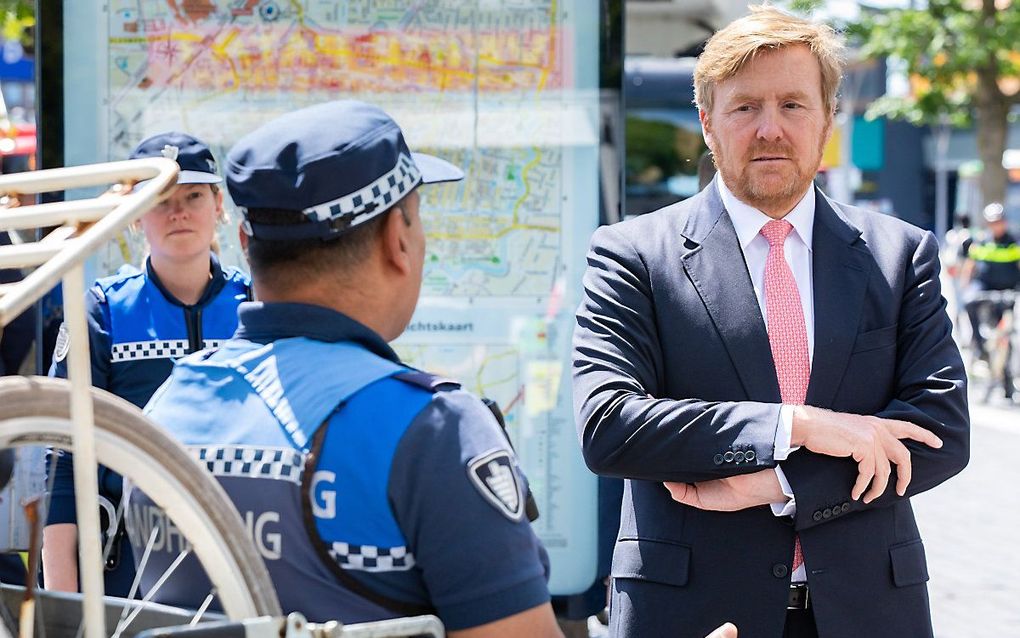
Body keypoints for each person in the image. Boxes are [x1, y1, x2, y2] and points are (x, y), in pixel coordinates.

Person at [572, 7, 969, 638]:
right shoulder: (633, 254)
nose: (770, 130)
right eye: (745, 107)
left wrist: (780, 483)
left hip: (868, 612)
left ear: (826, 120)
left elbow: (939, 434)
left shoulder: (900, 254)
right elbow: (609, 426)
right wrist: (799, 425)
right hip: (693, 614)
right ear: (708, 123)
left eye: (792, 105)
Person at [130, 100, 561, 636]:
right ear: (396, 240)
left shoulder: (165, 410)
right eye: (416, 216)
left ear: (244, 243)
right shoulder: (435, 432)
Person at [42, 132, 251, 596]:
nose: (178, 212)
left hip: (244, 562)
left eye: (194, 196)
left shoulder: (255, 303)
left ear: (219, 205)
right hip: (127, 572)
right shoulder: (102, 313)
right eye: (160, 200)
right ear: (135, 218)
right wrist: (63, 596)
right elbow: (63, 457)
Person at [960, 202, 1020, 359]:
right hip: (985, 288)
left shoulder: (1014, 241)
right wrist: (965, 285)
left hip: (1009, 290)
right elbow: (970, 264)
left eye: (999, 221)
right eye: (993, 222)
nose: (996, 226)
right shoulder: (981, 241)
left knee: (1011, 329)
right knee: (968, 302)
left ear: (1005, 222)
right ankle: (979, 346)